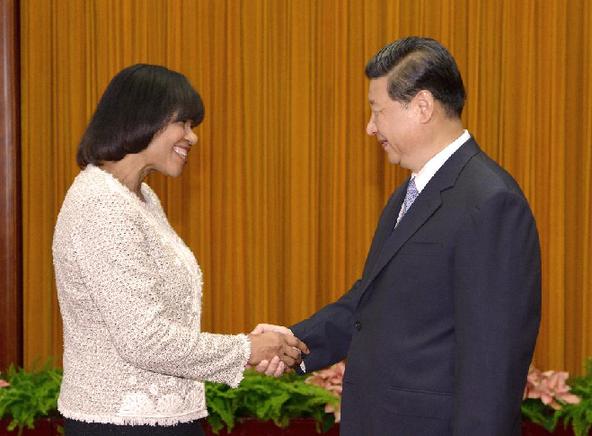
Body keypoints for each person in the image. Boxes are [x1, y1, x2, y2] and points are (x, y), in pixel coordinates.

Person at [253, 37, 541, 435]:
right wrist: (296, 343)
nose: (370, 127)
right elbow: (372, 302)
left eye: (377, 111)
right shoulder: (412, 192)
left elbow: (493, 365)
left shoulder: (490, 202)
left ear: (422, 106)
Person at [52, 64, 308, 436]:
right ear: (144, 117)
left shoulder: (140, 198)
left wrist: (252, 347)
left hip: (164, 419)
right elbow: (144, 339)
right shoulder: (100, 203)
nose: (193, 138)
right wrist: (245, 350)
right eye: (184, 124)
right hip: (122, 424)